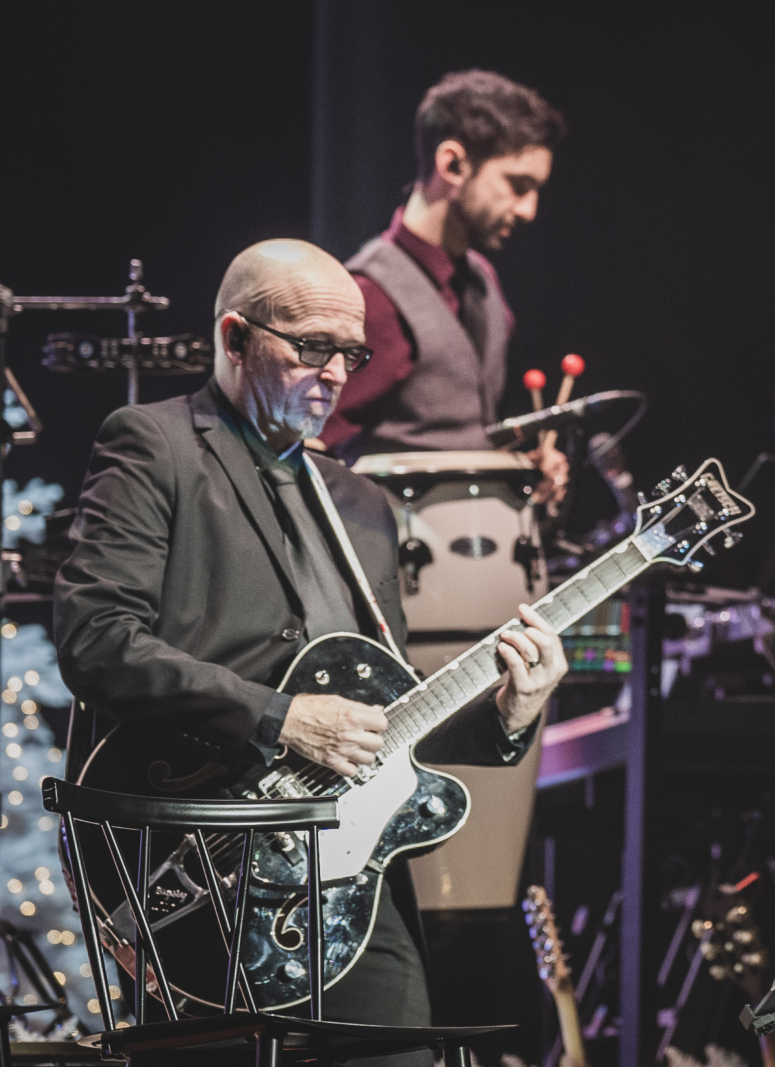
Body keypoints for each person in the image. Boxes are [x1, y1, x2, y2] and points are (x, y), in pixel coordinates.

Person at [54, 240, 568, 1063]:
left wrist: (509, 713)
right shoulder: (155, 446)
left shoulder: (362, 503)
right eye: (312, 346)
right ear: (234, 337)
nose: (336, 372)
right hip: (204, 853)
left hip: (348, 883)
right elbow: (96, 638)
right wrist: (281, 717)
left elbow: (383, 719)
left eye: (351, 353)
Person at [318, 68, 568, 495]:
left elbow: (457, 436)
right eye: (518, 185)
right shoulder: (370, 295)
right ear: (452, 163)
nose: (529, 210)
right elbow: (308, 447)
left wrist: (518, 466)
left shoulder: (483, 280)